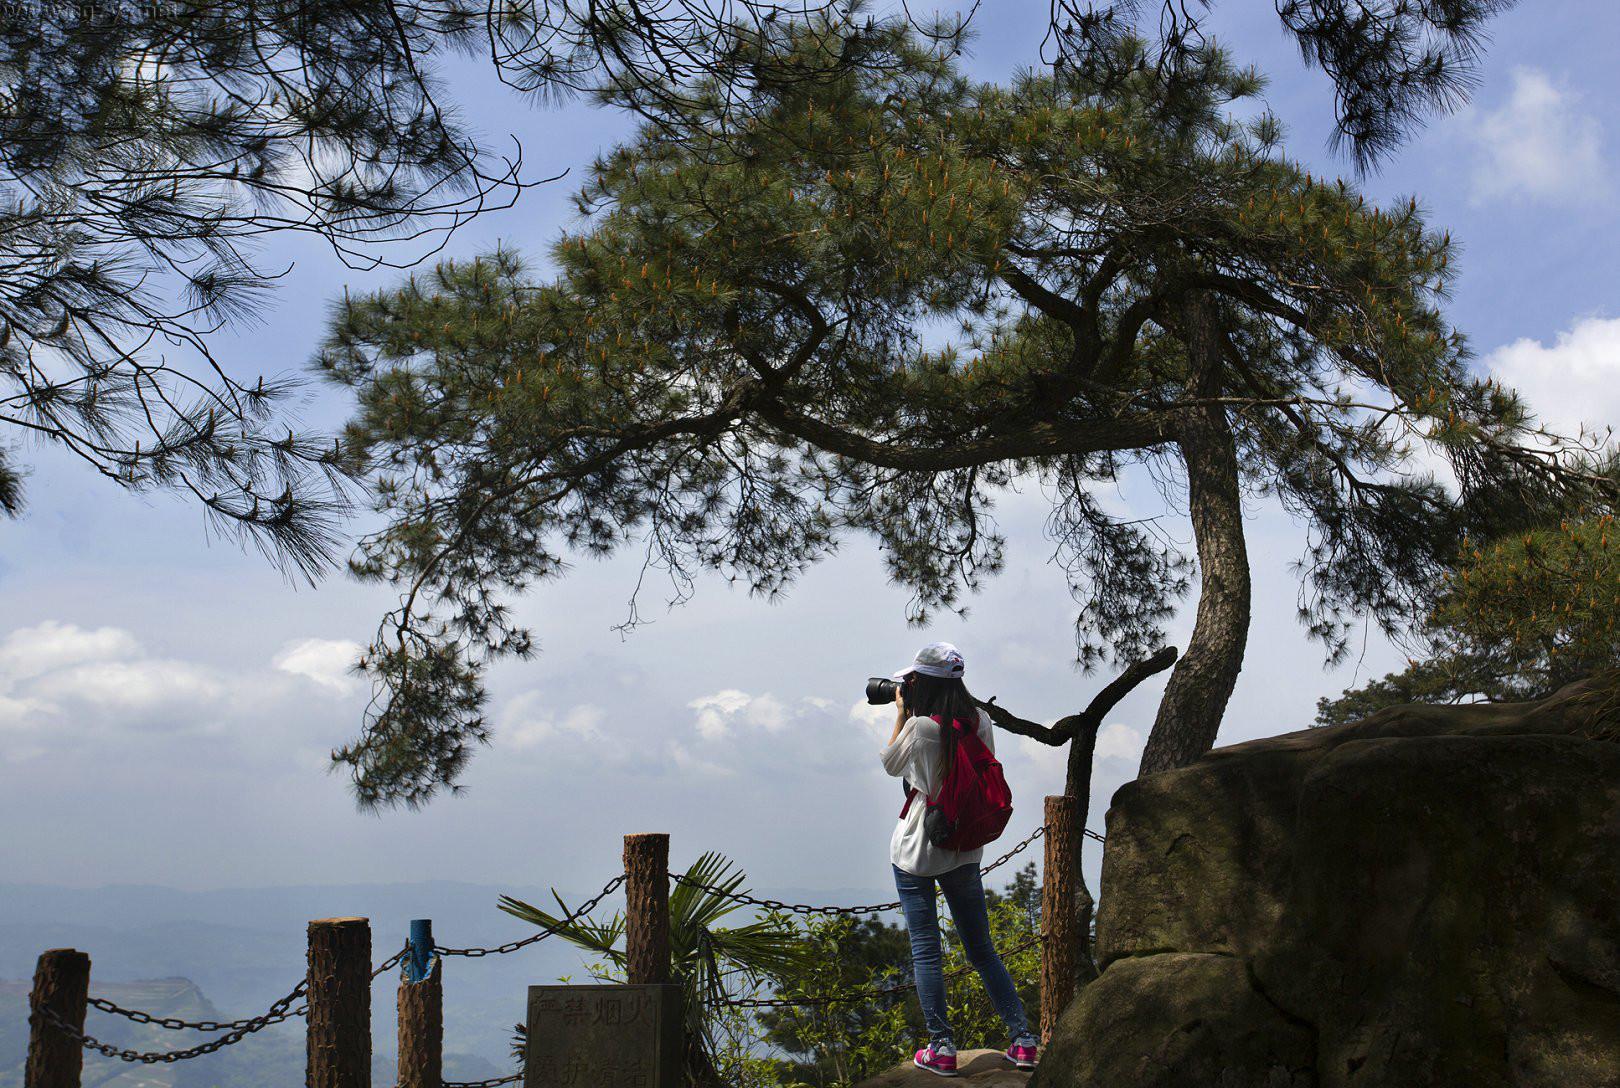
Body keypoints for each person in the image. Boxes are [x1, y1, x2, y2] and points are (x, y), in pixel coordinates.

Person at [880, 641, 1040, 1077]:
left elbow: (891, 765)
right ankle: (1023, 1041)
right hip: (966, 848)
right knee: (982, 948)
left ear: (921, 683)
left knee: (927, 951)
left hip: (919, 848)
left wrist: (899, 714)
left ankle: (942, 1048)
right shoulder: (980, 719)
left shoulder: (920, 728)